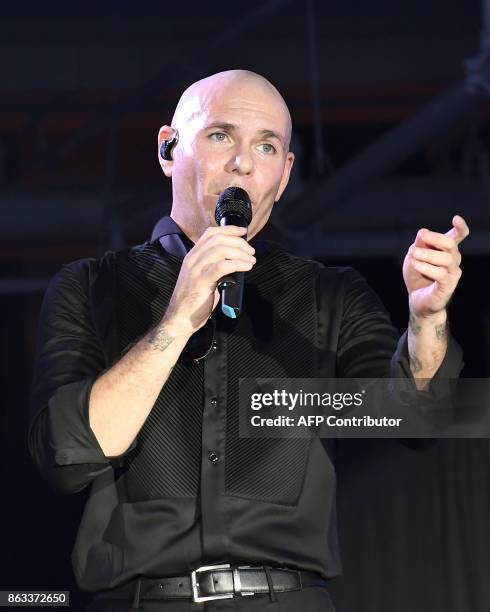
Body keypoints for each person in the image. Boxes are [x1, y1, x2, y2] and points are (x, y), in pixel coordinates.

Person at [28, 70, 468, 612]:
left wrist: (427, 319)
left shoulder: (330, 295)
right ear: (169, 148)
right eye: (220, 136)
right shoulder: (90, 288)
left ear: (282, 177)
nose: (242, 162)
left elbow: (414, 419)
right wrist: (174, 324)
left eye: (266, 147)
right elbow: (64, 457)